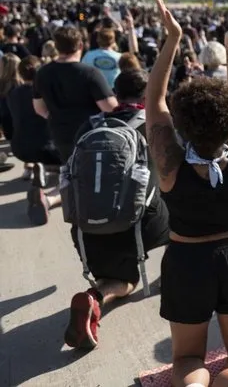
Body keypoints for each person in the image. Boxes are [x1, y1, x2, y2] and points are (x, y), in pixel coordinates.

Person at [146, 0, 228, 387]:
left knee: (189, 356)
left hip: (185, 261)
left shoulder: (169, 166)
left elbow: (154, 100)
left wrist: (173, 38)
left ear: (183, 123)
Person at [63, 69, 169, 349]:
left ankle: (95, 297)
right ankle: (175, 273)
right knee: (179, 211)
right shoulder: (156, 124)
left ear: (117, 94)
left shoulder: (90, 125)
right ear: (147, 95)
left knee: (121, 279)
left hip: (88, 228)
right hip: (141, 225)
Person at [32, 26, 117, 221]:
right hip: (90, 133)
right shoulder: (90, 73)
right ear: (80, 45)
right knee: (89, 176)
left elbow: (38, 108)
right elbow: (110, 107)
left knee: (72, 169)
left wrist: (55, 117)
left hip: (59, 132)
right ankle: (57, 199)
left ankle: (50, 198)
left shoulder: (42, 73)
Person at [6, 56, 62, 221]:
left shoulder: (13, 93)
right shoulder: (46, 93)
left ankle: (36, 167)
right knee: (72, 166)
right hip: (48, 149)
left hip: (19, 148)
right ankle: (50, 194)